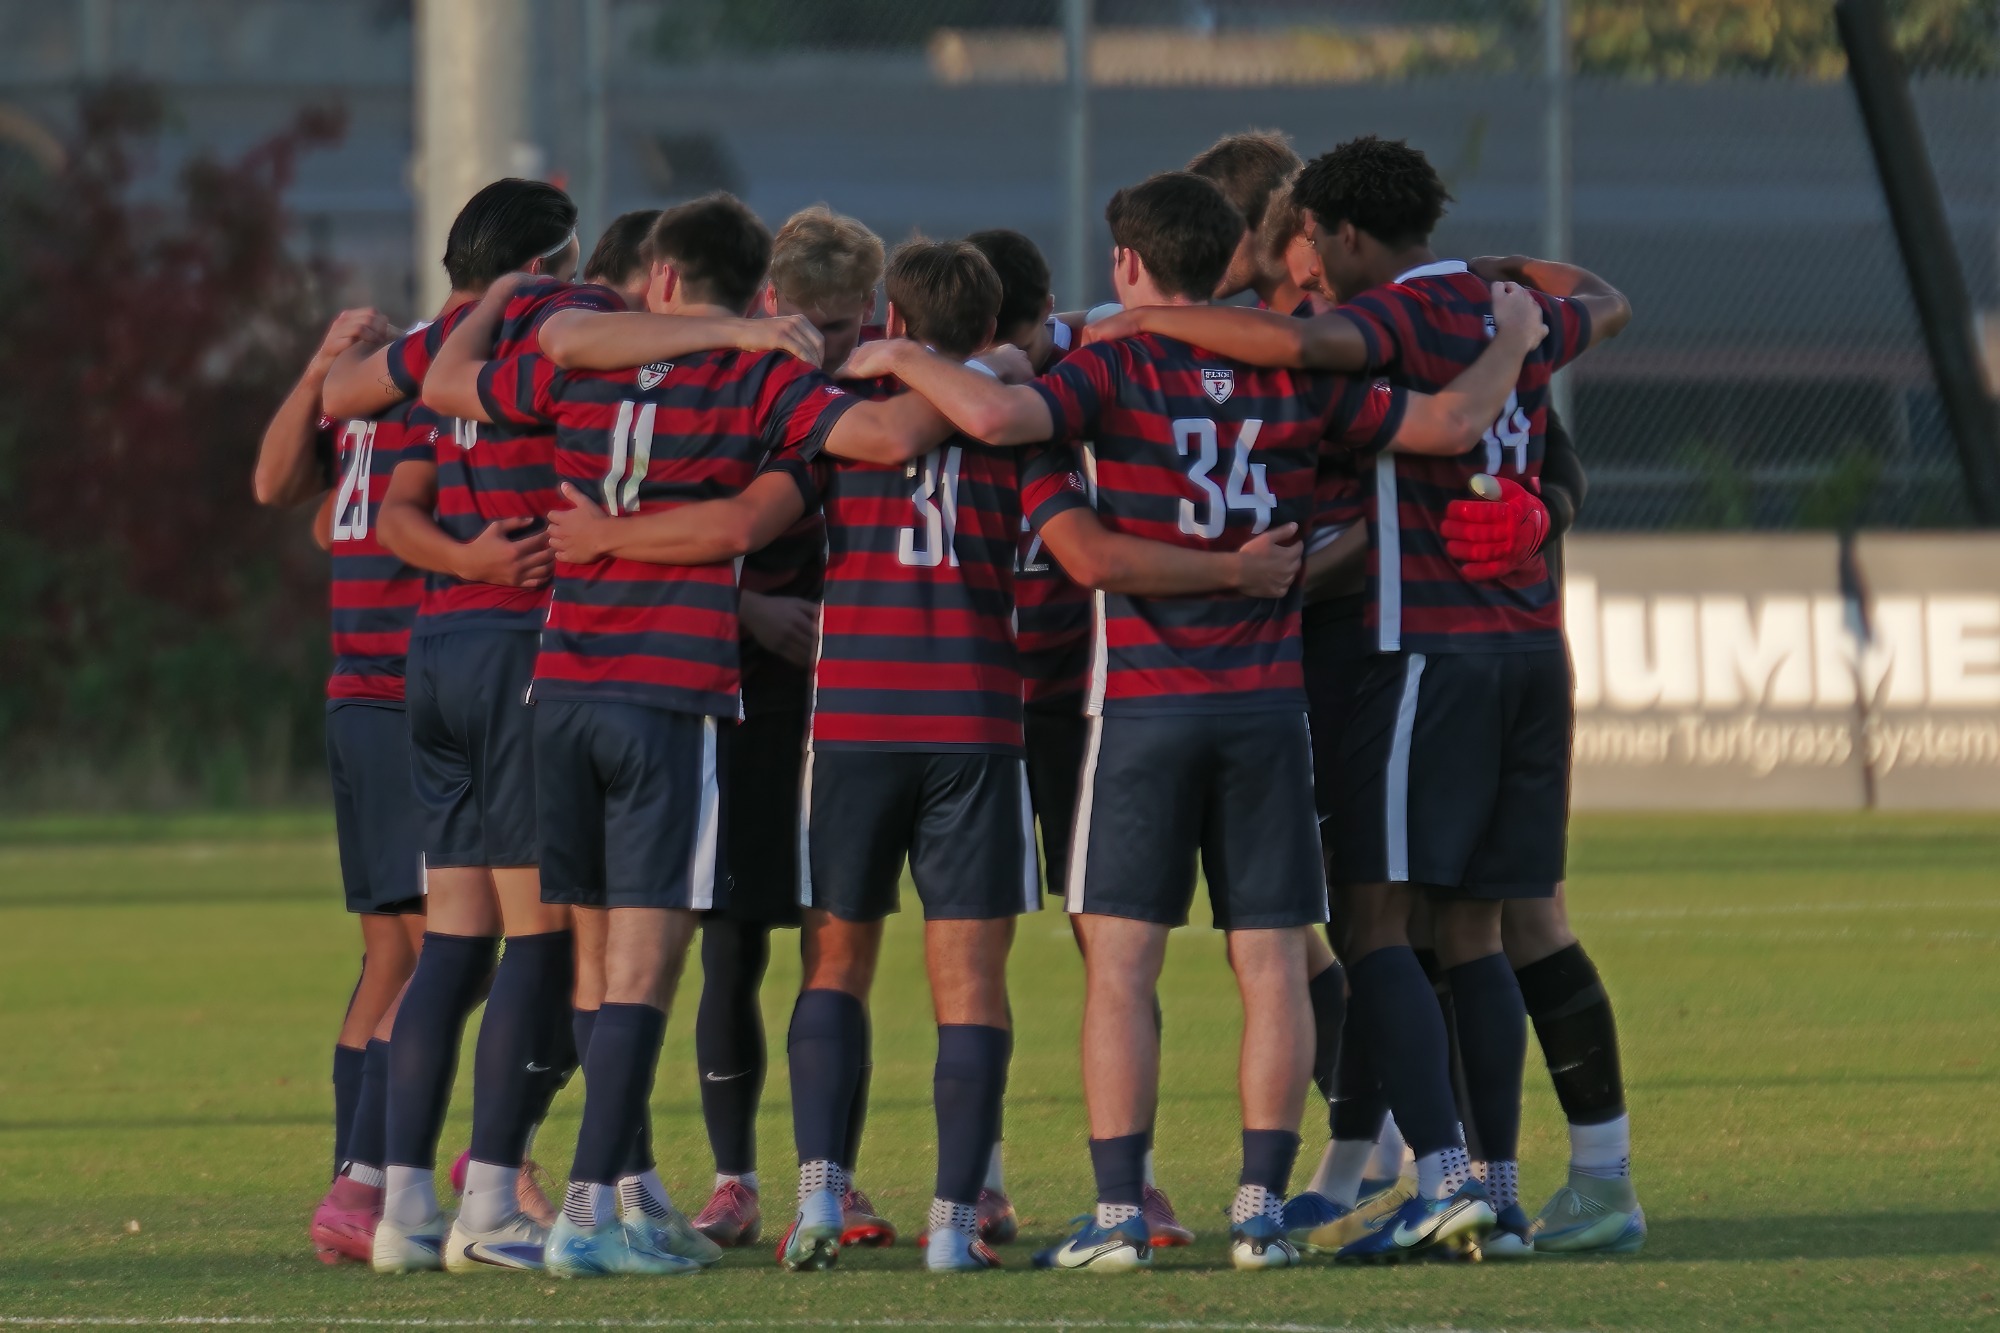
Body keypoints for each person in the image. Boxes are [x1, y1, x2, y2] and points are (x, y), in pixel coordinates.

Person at [854, 171, 1550, 1272]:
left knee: (1120, 967)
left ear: (1128, 266)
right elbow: (1449, 422)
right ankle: (1258, 1213)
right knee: (1271, 963)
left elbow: (990, 414)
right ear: (1229, 255)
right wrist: (1512, 336)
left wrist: (900, 356)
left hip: (1140, 708)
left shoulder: (1108, 366)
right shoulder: (1292, 374)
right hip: (1268, 711)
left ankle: (1119, 1215)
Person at [1088, 134, 1633, 1260]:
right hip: (1524, 651)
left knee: (1372, 915)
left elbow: (1312, 353)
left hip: (1416, 651)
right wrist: (1512, 293)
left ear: (1326, 237)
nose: (1300, 284)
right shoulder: (1493, 313)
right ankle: (1490, 1185)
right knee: (1467, 924)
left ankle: (1446, 1179)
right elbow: (1600, 302)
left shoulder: (1388, 322)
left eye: (1307, 257)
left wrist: (1138, 321)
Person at [421, 192, 970, 1278]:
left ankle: (620, 1198)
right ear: (753, 289)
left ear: (659, 278)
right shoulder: (761, 376)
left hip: (561, 692)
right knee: (644, 966)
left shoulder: (575, 355)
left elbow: (445, 384)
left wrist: (500, 300)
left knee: (590, 957)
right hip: (667, 700)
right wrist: (943, 365)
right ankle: (587, 1211)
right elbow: (886, 440)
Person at [252, 305, 428, 1265]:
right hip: (402, 694)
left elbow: (319, 516)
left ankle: (350, 1189)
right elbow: (276, 481)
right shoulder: (428, 390)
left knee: (392, 955)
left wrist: (329, 367)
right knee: (449, 944)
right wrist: (319, 362)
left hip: (360, 693)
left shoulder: (377, 393)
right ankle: (366, 1180)